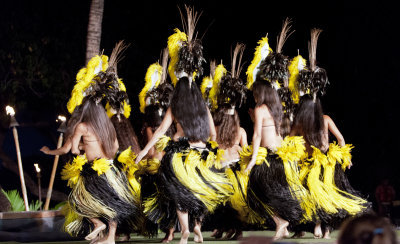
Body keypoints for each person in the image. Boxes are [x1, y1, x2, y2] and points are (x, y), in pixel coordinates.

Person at [41, 98, 141, 244]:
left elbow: (73, 150)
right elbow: (115, 148)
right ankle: (110, 238)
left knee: (77, 200)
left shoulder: (82, 126)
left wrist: (82, 146)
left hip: (94, 170)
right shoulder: (108, 126)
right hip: (110, 168)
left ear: (86, 111)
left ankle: (97, 224)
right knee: (112, 204)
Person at [244, 81, 305, 241]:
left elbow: (257, 135)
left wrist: (253, 159)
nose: (254, 96)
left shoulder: (260, 109)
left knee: (255, 193)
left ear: (261, 93)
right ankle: (283, 227)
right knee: (273, 193)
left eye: (255, 93)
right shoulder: (276, 109)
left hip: (269, 159)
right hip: (281, 157)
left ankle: (281, 222)